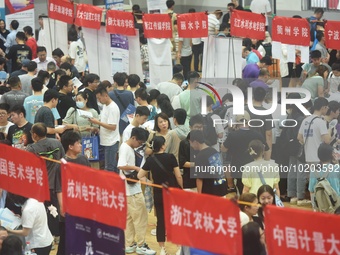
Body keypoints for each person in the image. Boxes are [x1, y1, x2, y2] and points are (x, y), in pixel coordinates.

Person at [138, 136, 183, 255]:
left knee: (161, 221)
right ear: (163, 146)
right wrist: (181, 187)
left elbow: (139, 175)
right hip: (172, 192)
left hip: (158, 193)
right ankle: (179, 248)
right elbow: (178, 176)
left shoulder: (151, 160)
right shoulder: (171, 157)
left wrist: (150, 183)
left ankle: (162, 249)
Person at [117, 127, 156, 255]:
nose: (140, 145)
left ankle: (129, 244)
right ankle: (141, 244)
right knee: (141, 217)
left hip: (128, 189)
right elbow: (121, 165)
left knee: (129, 218)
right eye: (139, 142)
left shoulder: (127, 147)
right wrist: (136, 168)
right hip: (132, 190)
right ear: (133, 138)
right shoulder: (125, 148)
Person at [26, 123, 65, 240]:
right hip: (58, 184)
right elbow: (63, 160)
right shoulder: (57, 143)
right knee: (57, 209)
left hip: (42, 185)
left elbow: (29, 168)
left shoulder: (32, 148)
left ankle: (50, 236)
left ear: (34, 135)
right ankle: (58, 235)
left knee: (47, 211)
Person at [90, 85, 120, 173]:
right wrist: (98, 129)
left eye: (100, 98)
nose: (99, 100)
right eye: (97, 98)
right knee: (113, 166)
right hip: (106, 140)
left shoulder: (112, 108)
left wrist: (97, 122)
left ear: (106, 95)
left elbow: (112, 127)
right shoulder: (106, 106)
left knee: (109, 168)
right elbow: (106, 123)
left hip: (111, 141)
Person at [189, 130, 227, 197]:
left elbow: (199, 178)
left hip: (210, 192)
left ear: (195, 142)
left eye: (190, 143)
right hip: (221, 188)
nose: (191, 146)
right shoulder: (214, 151)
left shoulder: (200, 156)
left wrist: (199, 195)